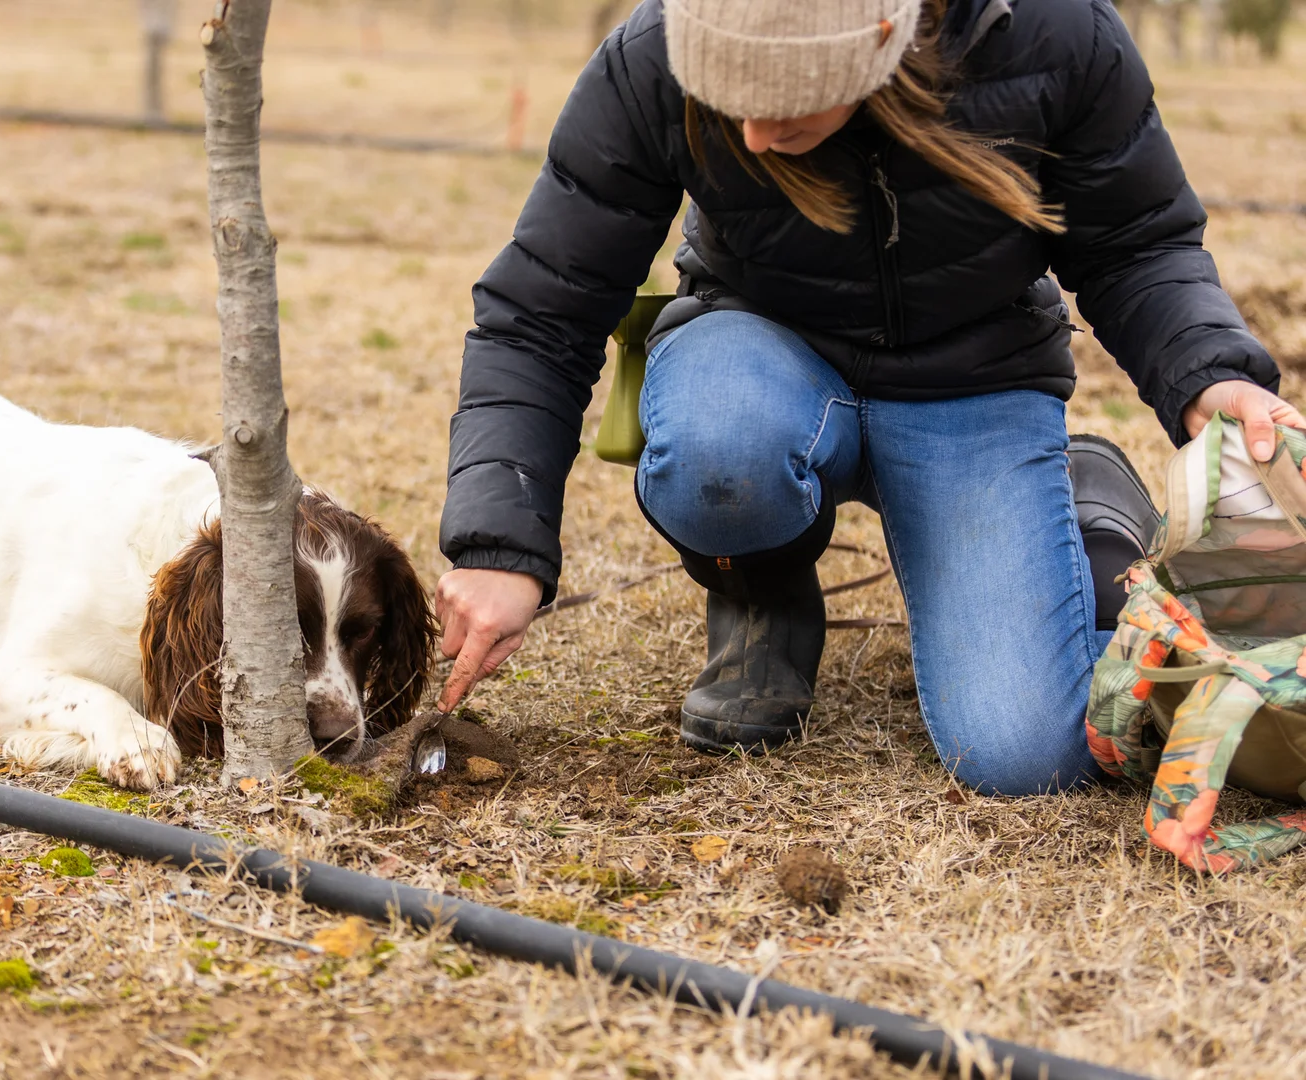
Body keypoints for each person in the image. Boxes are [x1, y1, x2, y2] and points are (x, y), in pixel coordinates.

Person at [433, 0, 1303, 794]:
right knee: (719, 449)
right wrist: (499, 547)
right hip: (757, 345)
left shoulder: (1053, 36)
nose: (753, 136)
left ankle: (1082, 498)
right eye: (724, 99)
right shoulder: (652, 50)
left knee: (1023, 754)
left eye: (782, 106)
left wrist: (1207, 373)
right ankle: (762, 597)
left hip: (975, 377)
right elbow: (541, 311)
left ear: (883, 41)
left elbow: (1136, 245)